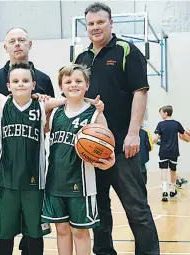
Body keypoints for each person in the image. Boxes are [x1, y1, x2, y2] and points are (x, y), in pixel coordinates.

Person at [73, 2, 160, 254]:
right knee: (99, 210)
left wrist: (134, 133)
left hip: (123, 146)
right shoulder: (82, 58)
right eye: (91, 23)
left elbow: (140, 93)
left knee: (137, 209)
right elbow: (77, 96)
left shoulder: (127, 51)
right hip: (92, 147)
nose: (96, 27)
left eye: (101, 22)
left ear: (111, 23)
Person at [0, 27, 54, 255]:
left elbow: (50, 116)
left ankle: (27, 250)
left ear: (29, 45)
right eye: (12, 41)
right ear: (6, 47)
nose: (17, 44)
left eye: (22, 40)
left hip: (31, 152)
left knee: (31, 210)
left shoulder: (43, 79)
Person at [41, 64, 115, 255]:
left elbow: (108, 150)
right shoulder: (54, 113)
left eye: (78, 81)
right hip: (55, 183)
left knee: (80, 232)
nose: (73, 85)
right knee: (62, 231)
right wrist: (43, 100)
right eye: (68, 82)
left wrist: (109, 161)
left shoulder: (95, 114)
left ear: (87, 85)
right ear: (61, 87)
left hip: (81, 185)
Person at [152, 105, 190, 202]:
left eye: (161, 113)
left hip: (163, 151)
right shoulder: (177, 124)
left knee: (163, 170)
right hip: (174, 151)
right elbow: (184, 135)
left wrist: (148, 143)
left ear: (165, 113)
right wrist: (189, 139)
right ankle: (172, 191)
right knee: (173, 171)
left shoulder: (160, 124)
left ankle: (164, 192)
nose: (160, 115)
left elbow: (156, 138)